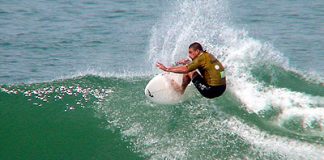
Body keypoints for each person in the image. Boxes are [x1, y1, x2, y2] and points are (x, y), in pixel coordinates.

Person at [156, 42, 226, 99]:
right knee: (195, 69)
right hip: (222, 88)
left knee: (189, 71)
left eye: (190, 52)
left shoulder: (200, 59)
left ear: (197, 51)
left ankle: (180, 91)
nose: (189, 55)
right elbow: (199, 64)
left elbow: (186, 69)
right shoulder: (208, 55)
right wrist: (188, 62)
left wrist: (167, 69)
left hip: (210, 91)